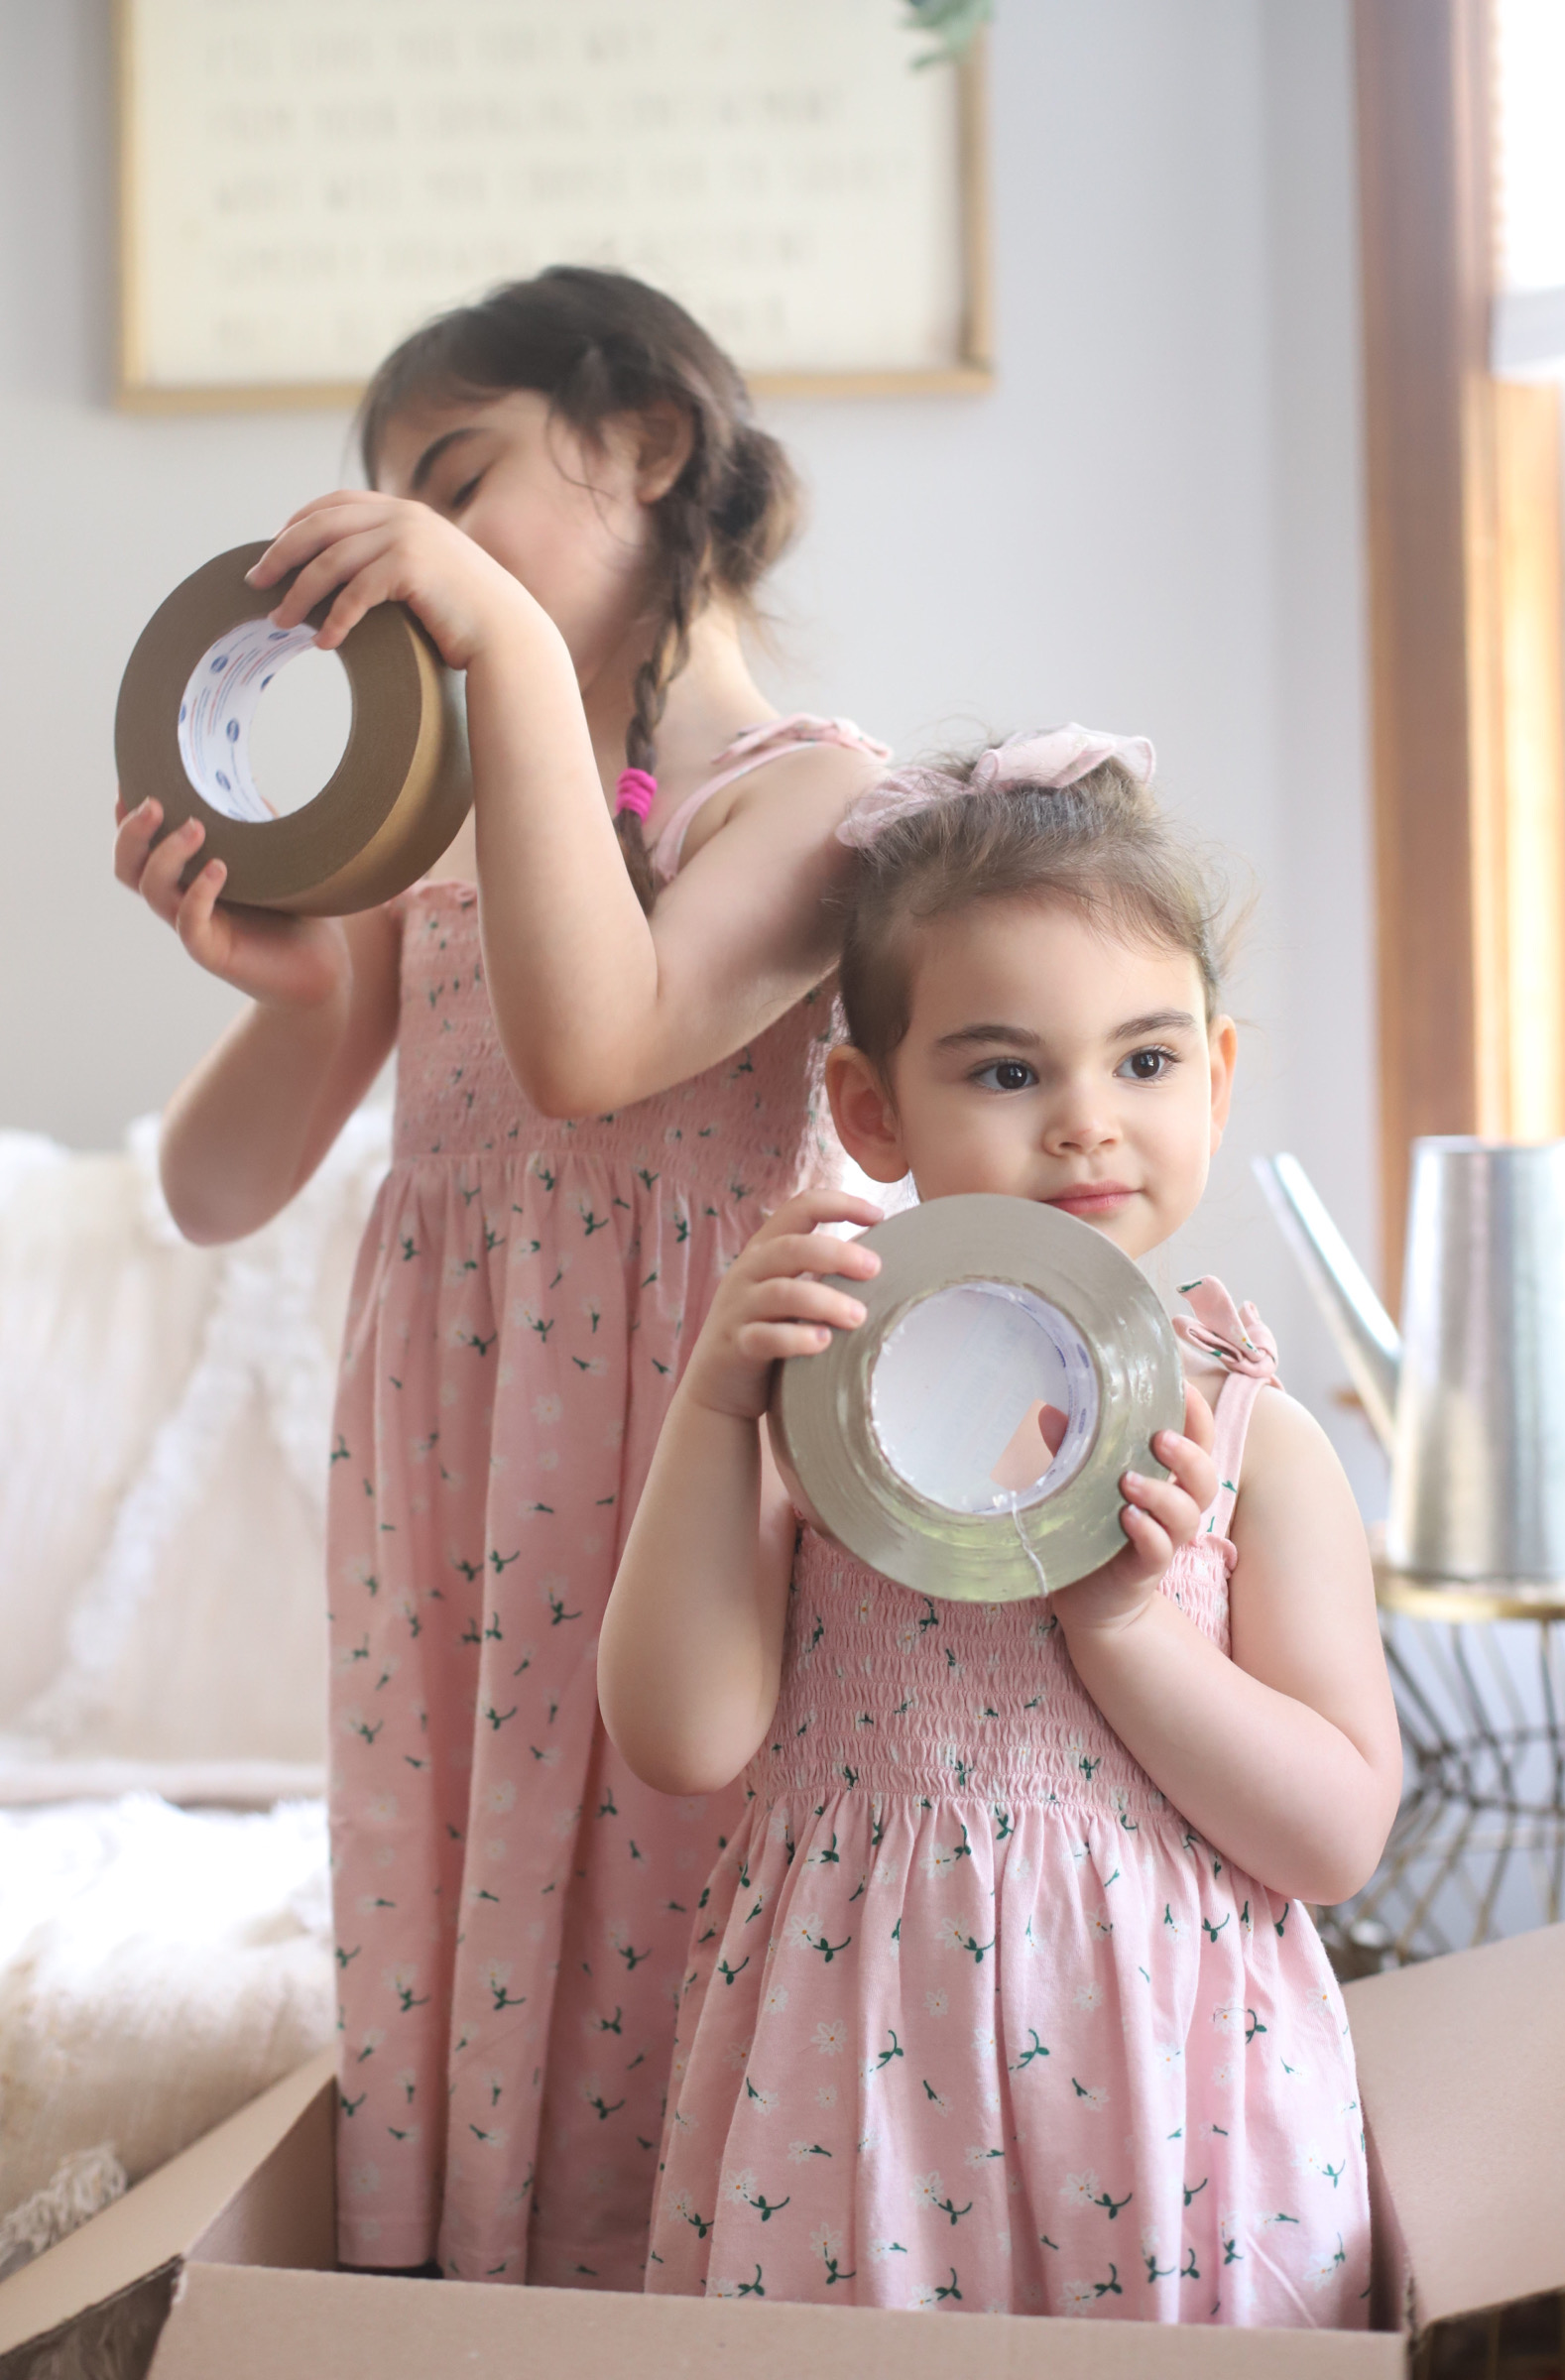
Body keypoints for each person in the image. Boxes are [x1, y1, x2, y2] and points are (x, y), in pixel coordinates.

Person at [112, 268, 888, 2288]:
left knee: (673, 1875)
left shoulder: (813, 798)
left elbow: (594, 1044)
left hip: (689, 1463)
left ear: (642, 443)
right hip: (456, 1468)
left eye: (454, 483)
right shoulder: (440, 822)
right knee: (457, 1887)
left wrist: (492, 653)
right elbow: (208, 1189)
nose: (417, 540)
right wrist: (289, 1003)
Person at [598, 728, 1401, 2325]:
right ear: (870, 1110)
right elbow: (684, 1736)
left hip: (1177, 2104)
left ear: (1218, 1079)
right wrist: (710, 1414)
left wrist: (1120, 1626)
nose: (1088, 1121)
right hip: (861, 2098)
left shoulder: (1253, 1435)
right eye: (1007, 1069)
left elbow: (1336, 1833)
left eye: (1147, 1062)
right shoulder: (815, 1400)